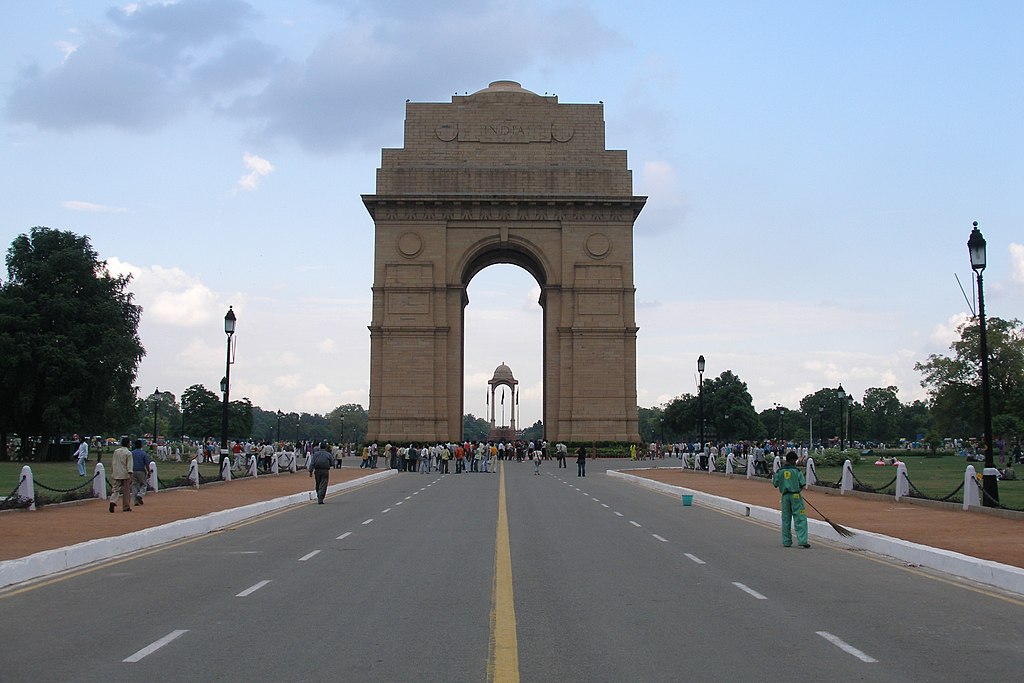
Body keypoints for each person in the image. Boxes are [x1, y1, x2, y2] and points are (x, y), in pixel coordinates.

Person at [772, 451, 809, 548]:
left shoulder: (779, 471)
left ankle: (787, 541)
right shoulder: (797, 471)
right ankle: (802, 541)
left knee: (786, 519)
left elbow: (775, 484)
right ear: (792, 460)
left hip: (785, 497)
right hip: (796, 496)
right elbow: (802, 483)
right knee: (800, 518)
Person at [109, 437, 133, 513]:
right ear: (127, 444)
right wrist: (130, 474)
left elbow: (113, 462)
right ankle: (126, 506)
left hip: (116, 473)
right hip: (125, 474)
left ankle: (113, 501)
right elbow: (129, 465)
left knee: (115, 490)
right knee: (126, 491)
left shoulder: (116, 451)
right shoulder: (128, 453)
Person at [130, 439, 152, 507]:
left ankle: (135, 501)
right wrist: (148, 471)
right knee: (144, 484)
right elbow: (147, 463)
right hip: (141, 470)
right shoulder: (143, 453)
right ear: (141, 445)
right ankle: (140, 495)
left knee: (134, 485)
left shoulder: (131, 453)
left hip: (133, 470)